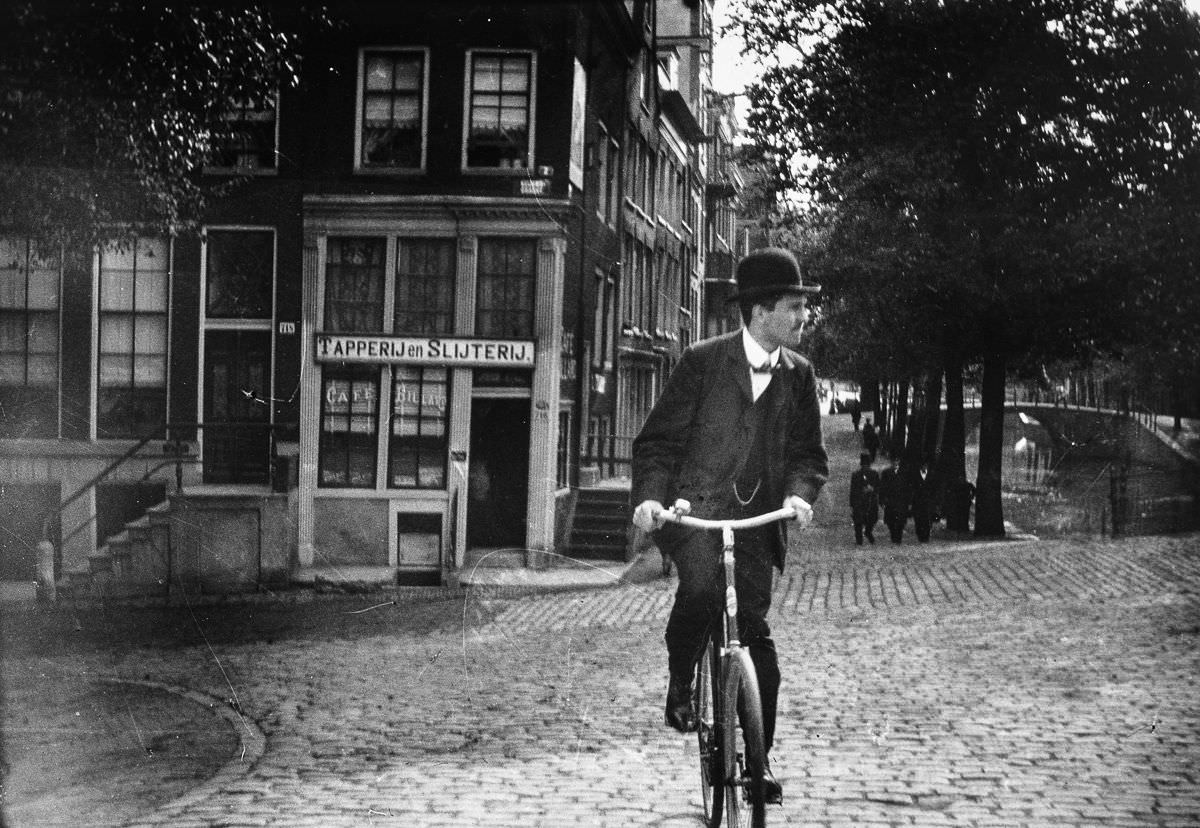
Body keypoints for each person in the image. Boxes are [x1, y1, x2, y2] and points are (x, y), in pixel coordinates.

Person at [631, 247, 829, 805]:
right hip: (697, 514)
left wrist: (799, 494)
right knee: (700, 590)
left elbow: (808, 455)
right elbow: (657, 444)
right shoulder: (702, 361)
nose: (801, 318)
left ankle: (760, 759)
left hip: (758, 521)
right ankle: (680, 680)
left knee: (756, 636)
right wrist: (650, 501)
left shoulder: (800, 376)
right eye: (794, 307)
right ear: (761, 311)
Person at [849, 452, 880, 545]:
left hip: (868, 501)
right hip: (862, 501)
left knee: (867, 520)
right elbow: (853, 490)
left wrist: (872, 489)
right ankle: (862, 538)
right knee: (861, 521)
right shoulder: (857, 475)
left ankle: (864, 535)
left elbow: (878, 487)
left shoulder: (873, 474)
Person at [879, 455, 908, 543]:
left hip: (901, 500)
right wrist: (881, 500)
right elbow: (882, 487)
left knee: (900, 520)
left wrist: (909, 501)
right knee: (890, 520)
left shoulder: (904, 472)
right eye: (894, 461)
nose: (895, 463)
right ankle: (893, 534)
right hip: (890, 500)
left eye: (897, 461)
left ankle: (898, 537)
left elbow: (908, 488)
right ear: (891, 462)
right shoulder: (886, 472)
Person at [910, 462, 935, 542]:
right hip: (917, 502)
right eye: (922, 465)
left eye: (925, 466)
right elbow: (912, 489)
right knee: (918, 519)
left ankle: (926, 536)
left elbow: (934, 489)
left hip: (928, 502)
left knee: (927, 519)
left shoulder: (931, 475)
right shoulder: (915, 476)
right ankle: (920, 535)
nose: (924, 467)